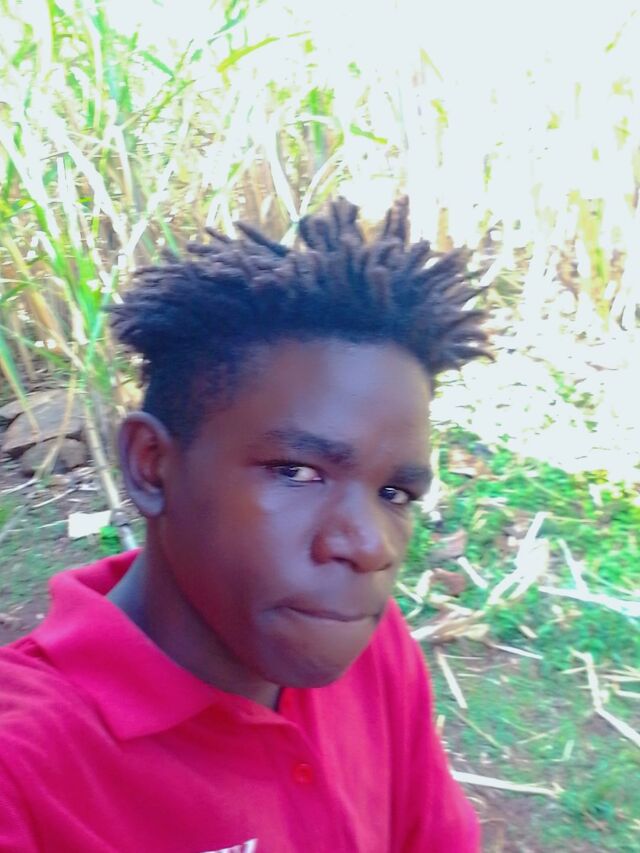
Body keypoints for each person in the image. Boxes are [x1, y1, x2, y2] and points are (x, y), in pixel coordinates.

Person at [0, 198, 488, 852]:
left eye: (395, 493)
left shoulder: (375, 653)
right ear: (151, 466)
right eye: (297, 471)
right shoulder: (26, 774)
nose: (370, 545)